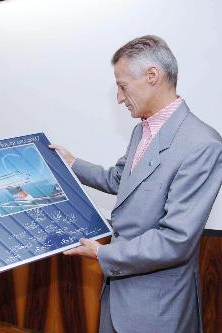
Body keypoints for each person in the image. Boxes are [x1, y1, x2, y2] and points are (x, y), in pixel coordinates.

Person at [51, 35, 222, 333]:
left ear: (152, 76)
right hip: (117, 293)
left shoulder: (202, 144)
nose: (118, 97)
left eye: (122, 86)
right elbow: (120, 180)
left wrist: (102, 253)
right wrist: (72, 164)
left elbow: (176, 241)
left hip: (158, 307)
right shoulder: (140, 130)